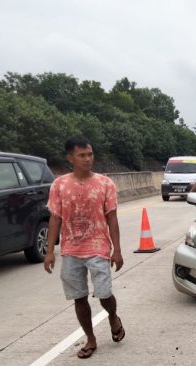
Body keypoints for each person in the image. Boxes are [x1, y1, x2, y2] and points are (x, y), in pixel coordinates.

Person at [43, 137, 125, 359]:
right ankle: (90, 338)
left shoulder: (105, 183)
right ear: (70, 158)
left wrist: (116, 250)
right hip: (70, 249)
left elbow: (112, 218)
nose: (88, 159)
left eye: (90, 154)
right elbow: (55, 219)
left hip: (98, 246)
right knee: (79, 298)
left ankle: (113, 317)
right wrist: (50, 251)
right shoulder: (59, 185)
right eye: (82, 155)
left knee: (104, 293)